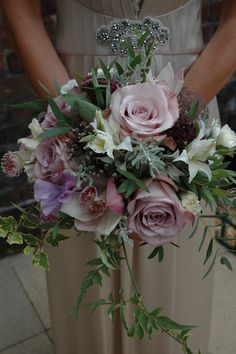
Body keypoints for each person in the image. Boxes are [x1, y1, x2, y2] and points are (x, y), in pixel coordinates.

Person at [1, 1, 236, 353]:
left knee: (169, 255)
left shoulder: (185, 111)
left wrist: (177, 122)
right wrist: (73, 120)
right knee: (84, 245)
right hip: (75, 95)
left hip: (190, 93)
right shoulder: (74, 113)